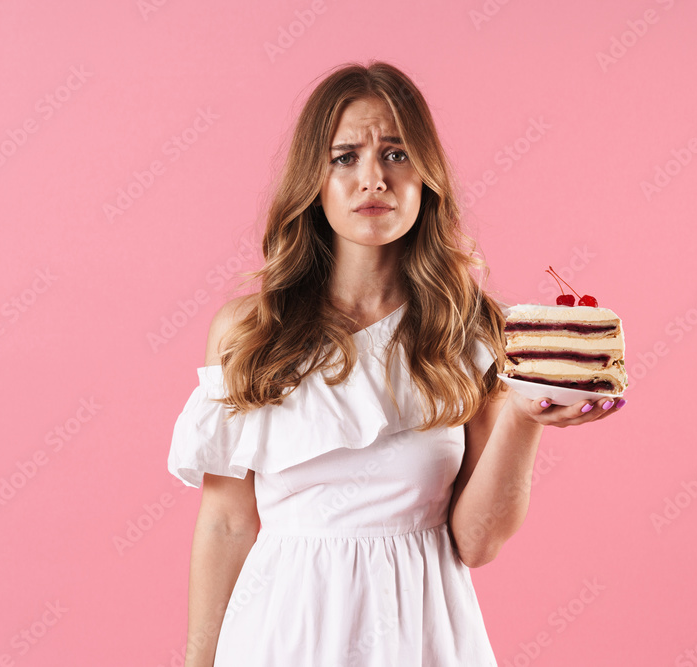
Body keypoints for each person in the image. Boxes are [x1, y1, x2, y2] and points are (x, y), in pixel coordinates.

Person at [168, 60, 626, 667]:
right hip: (281, 635)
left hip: (424, 635)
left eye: (396, 154)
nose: (373, 179)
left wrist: (523, 416)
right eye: (344, 157)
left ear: (426, 178)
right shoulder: (249, 332)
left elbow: (478, 541)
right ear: (315, 179)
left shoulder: (475, 331)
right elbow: (226, 524)